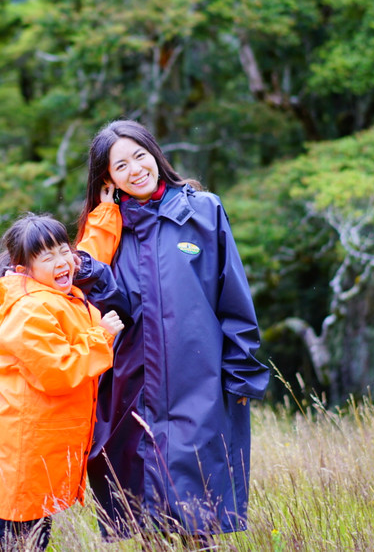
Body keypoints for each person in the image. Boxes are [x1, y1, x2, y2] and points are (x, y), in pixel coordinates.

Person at [75, 119, 270, 541]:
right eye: (120, 165)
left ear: (154, 153)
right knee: (148, 524)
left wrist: (239, 375)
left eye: (139, 156)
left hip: (197, 388)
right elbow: (108, 310)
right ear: (108, 178)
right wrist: (100, 232)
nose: (135, 170)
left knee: (201, 519)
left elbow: (232, 298)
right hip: (133, 391)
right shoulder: (110, 229)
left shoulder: (202, 210)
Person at [0, 213, 126, 551]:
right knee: (21, 539)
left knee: (34, 535)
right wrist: (101, 337)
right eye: (47, 257)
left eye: (64, 250)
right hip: (27, 447)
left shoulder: (57, 292)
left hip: (42, 445)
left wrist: (106, 215)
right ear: (24, 270)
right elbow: (58, 371)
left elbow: (89, 252)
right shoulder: (30, 309)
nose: (62, 261)